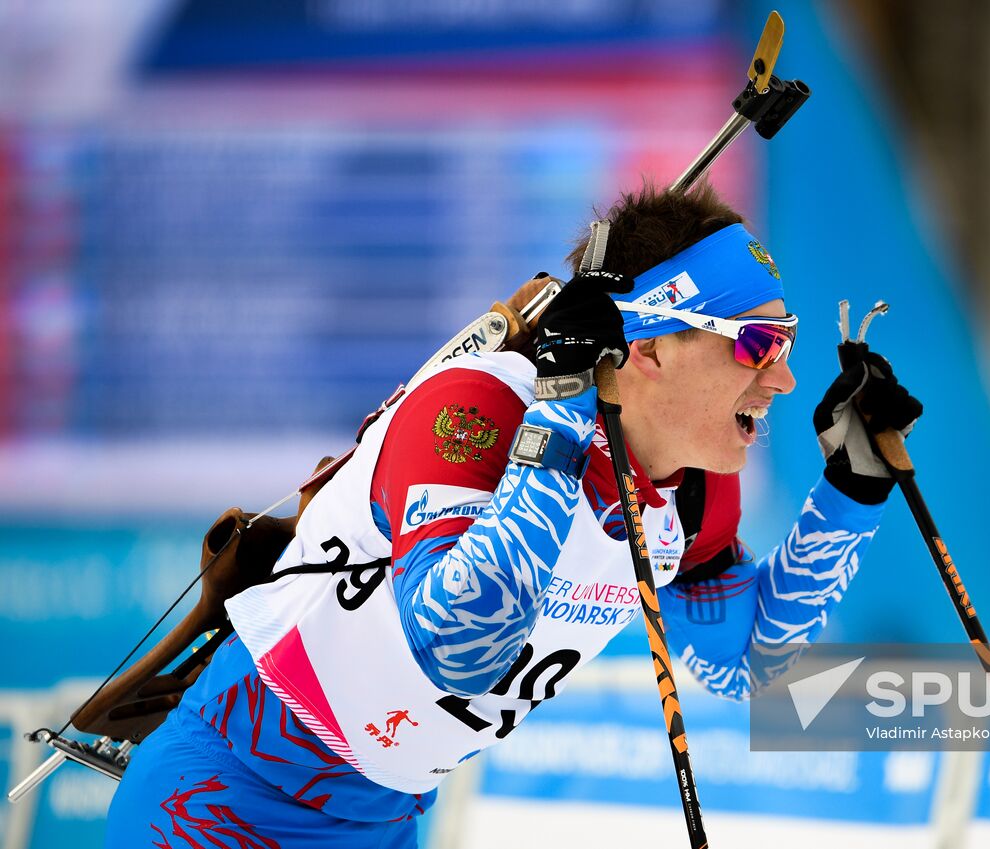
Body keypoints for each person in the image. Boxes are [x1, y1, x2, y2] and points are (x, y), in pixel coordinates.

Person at [104, 184, 922, 847]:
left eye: (785, 342)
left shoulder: (691, 489)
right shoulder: (476, 412)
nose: (781, 380)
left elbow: (741, 660)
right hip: (224, 803)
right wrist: (561, 420)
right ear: (647, 347)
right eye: (753, 344)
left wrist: (849, 493)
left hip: (380, 823)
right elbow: (459, 645)